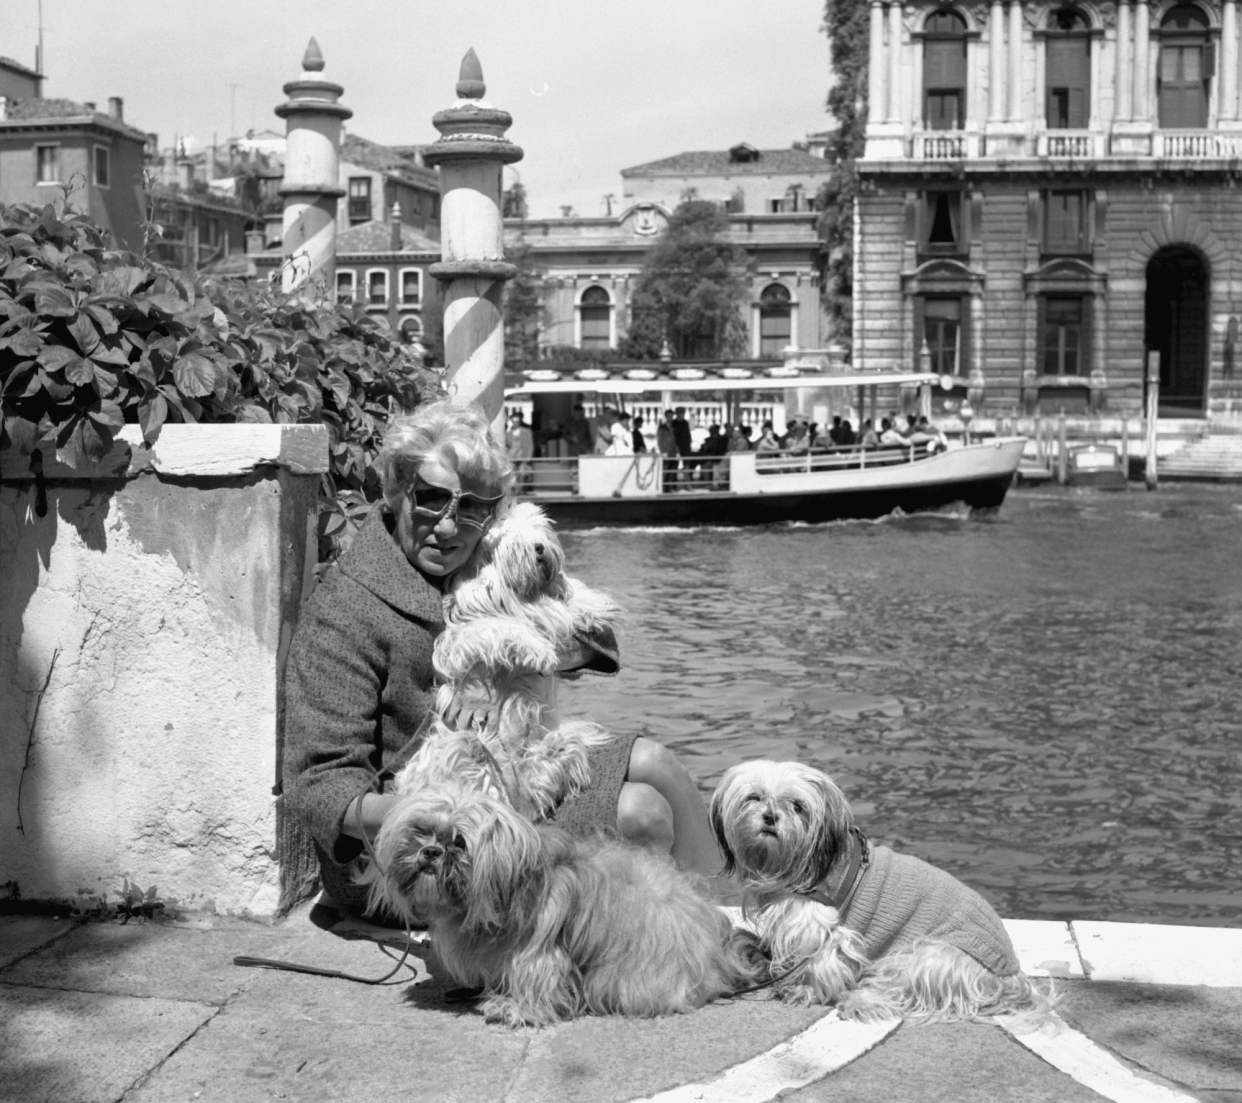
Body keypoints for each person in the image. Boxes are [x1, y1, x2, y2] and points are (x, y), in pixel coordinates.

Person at [282, 400, 726, 922]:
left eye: (472, 508)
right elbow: (318, 788)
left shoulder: (481, 561)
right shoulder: (347, 608)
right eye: (430, 500)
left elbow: (596, 634)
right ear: (395, 493)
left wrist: (515, 660)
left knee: (657, 762)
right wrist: (456, 816)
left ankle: (724, 915)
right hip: (421, 845)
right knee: (643, 815)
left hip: (515, 774)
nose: (449, 527)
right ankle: (659, 940)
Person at [506, 410, 535, 490]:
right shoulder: (508, 433)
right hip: (512, 457)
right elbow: (507, 446)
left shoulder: (526, 431)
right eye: (514, 421)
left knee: (522, 473)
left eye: (517, 422)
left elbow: (530, 444)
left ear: (519, 422)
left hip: (522, 456)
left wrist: (529, 456)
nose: (515, 423)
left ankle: (521, 490)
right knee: (513, 474)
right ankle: (516, 490)